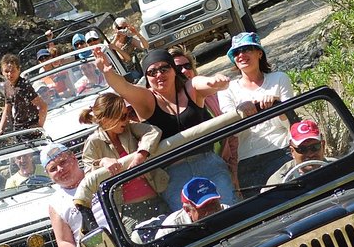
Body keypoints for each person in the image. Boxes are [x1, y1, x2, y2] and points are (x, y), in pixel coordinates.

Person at [93, 47, 253, 211]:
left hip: (209, 164)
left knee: (229, 211)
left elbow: (204, 83)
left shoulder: (190, 88)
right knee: (194, 228)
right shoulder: (147, 99)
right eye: (152, 72)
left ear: (174, 70)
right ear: (147, 78)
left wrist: (217, 81)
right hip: (174, 176)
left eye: (164, 68)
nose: (159, 75)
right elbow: (124, 88)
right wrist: (108, 72)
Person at [218, 32, 294, 197]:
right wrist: (240, 113)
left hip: (281, 150)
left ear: (259, 53)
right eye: (236, 53)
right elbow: (232, 132)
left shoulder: (279, 79)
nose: (242, 55)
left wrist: (277, 106)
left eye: (247, 49)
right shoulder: (227, 90)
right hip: (247, 160)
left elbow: (292, 125)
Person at [80, 93, 170, 232]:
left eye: (127, 114)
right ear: (105, 119)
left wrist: (141, 155)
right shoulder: (93, 142)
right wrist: (103, 162)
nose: (126, 119)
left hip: (158, 199)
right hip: (129, 213)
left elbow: (153, 131)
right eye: (122, 116)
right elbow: (88, 177)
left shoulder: (129, 128)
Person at [42, 143, 109, 247]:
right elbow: (64, 241)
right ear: (49, 175)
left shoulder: (97, 175)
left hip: (124, 237)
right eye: (53, 169)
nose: (60, 170)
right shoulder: (56, 203)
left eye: (63, 162)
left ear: (74, 158)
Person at [169, 45, 240, 188]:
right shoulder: (170, 107)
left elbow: (230, 135)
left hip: (223, 167)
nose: (184, 71)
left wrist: (233, 168)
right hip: (194, 177)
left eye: (187, 65)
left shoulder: (211, 96)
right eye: (178, 68)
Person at [131, 177, 225, 243]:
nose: (212, 210)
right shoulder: (169, 231)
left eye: (214, 203)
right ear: (187, 210)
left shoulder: (227, 211)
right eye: (204, 207)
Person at [0, 54, 48, 137]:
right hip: (18, 128)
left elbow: (43, 106)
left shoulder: (24, 86)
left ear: (19, 70)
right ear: (2, 72)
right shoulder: (7, 86)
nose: (10, 74)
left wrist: (39, 126)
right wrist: (0, 129)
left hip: (31, 127)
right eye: (6, 71)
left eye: (13, 71)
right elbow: (7, 110)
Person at [266, 120, 330, 186]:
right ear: (292, 151)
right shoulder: (277, 182)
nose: (310, 154)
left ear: (323, 145)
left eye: (315, 147)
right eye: (302, 149)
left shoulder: (337, 167)